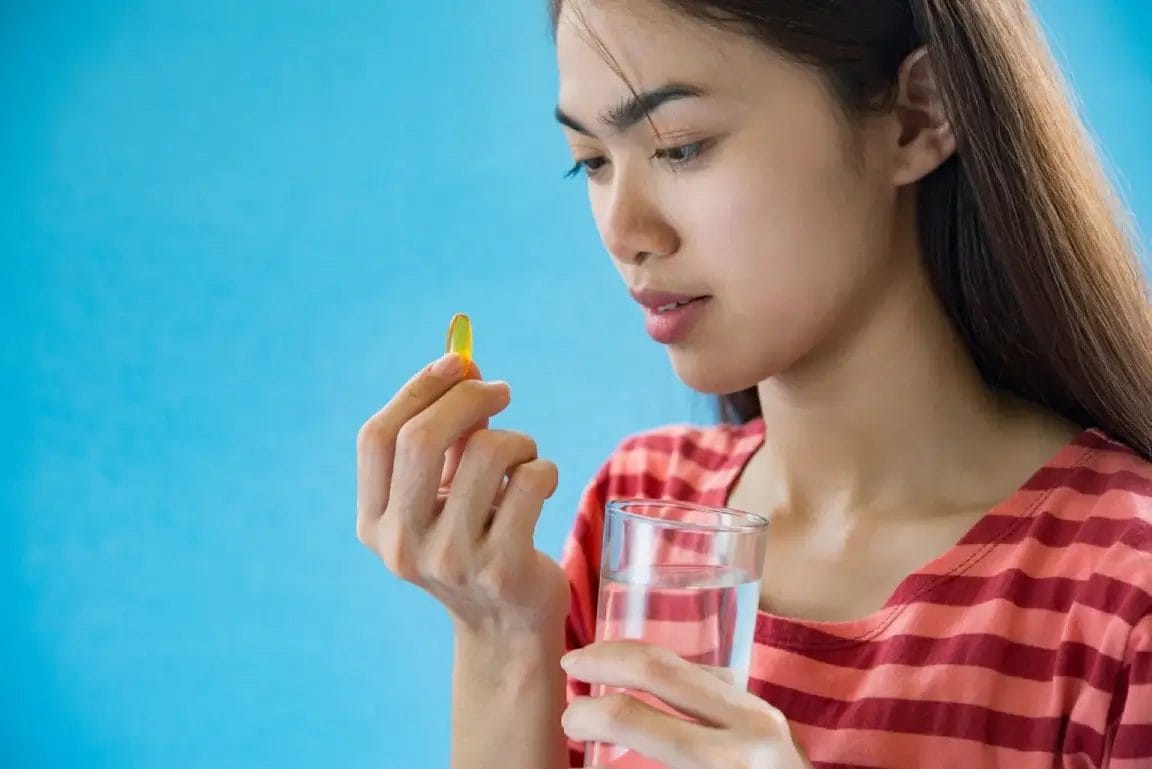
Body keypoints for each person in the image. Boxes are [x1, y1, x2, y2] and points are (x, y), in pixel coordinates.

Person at [355, 1, 1152, 767]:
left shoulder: (1125, 587)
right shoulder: (641, 515)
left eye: (680, 146)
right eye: (592, 163)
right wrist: (499, 632)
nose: (625, 232)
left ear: (917, 115)